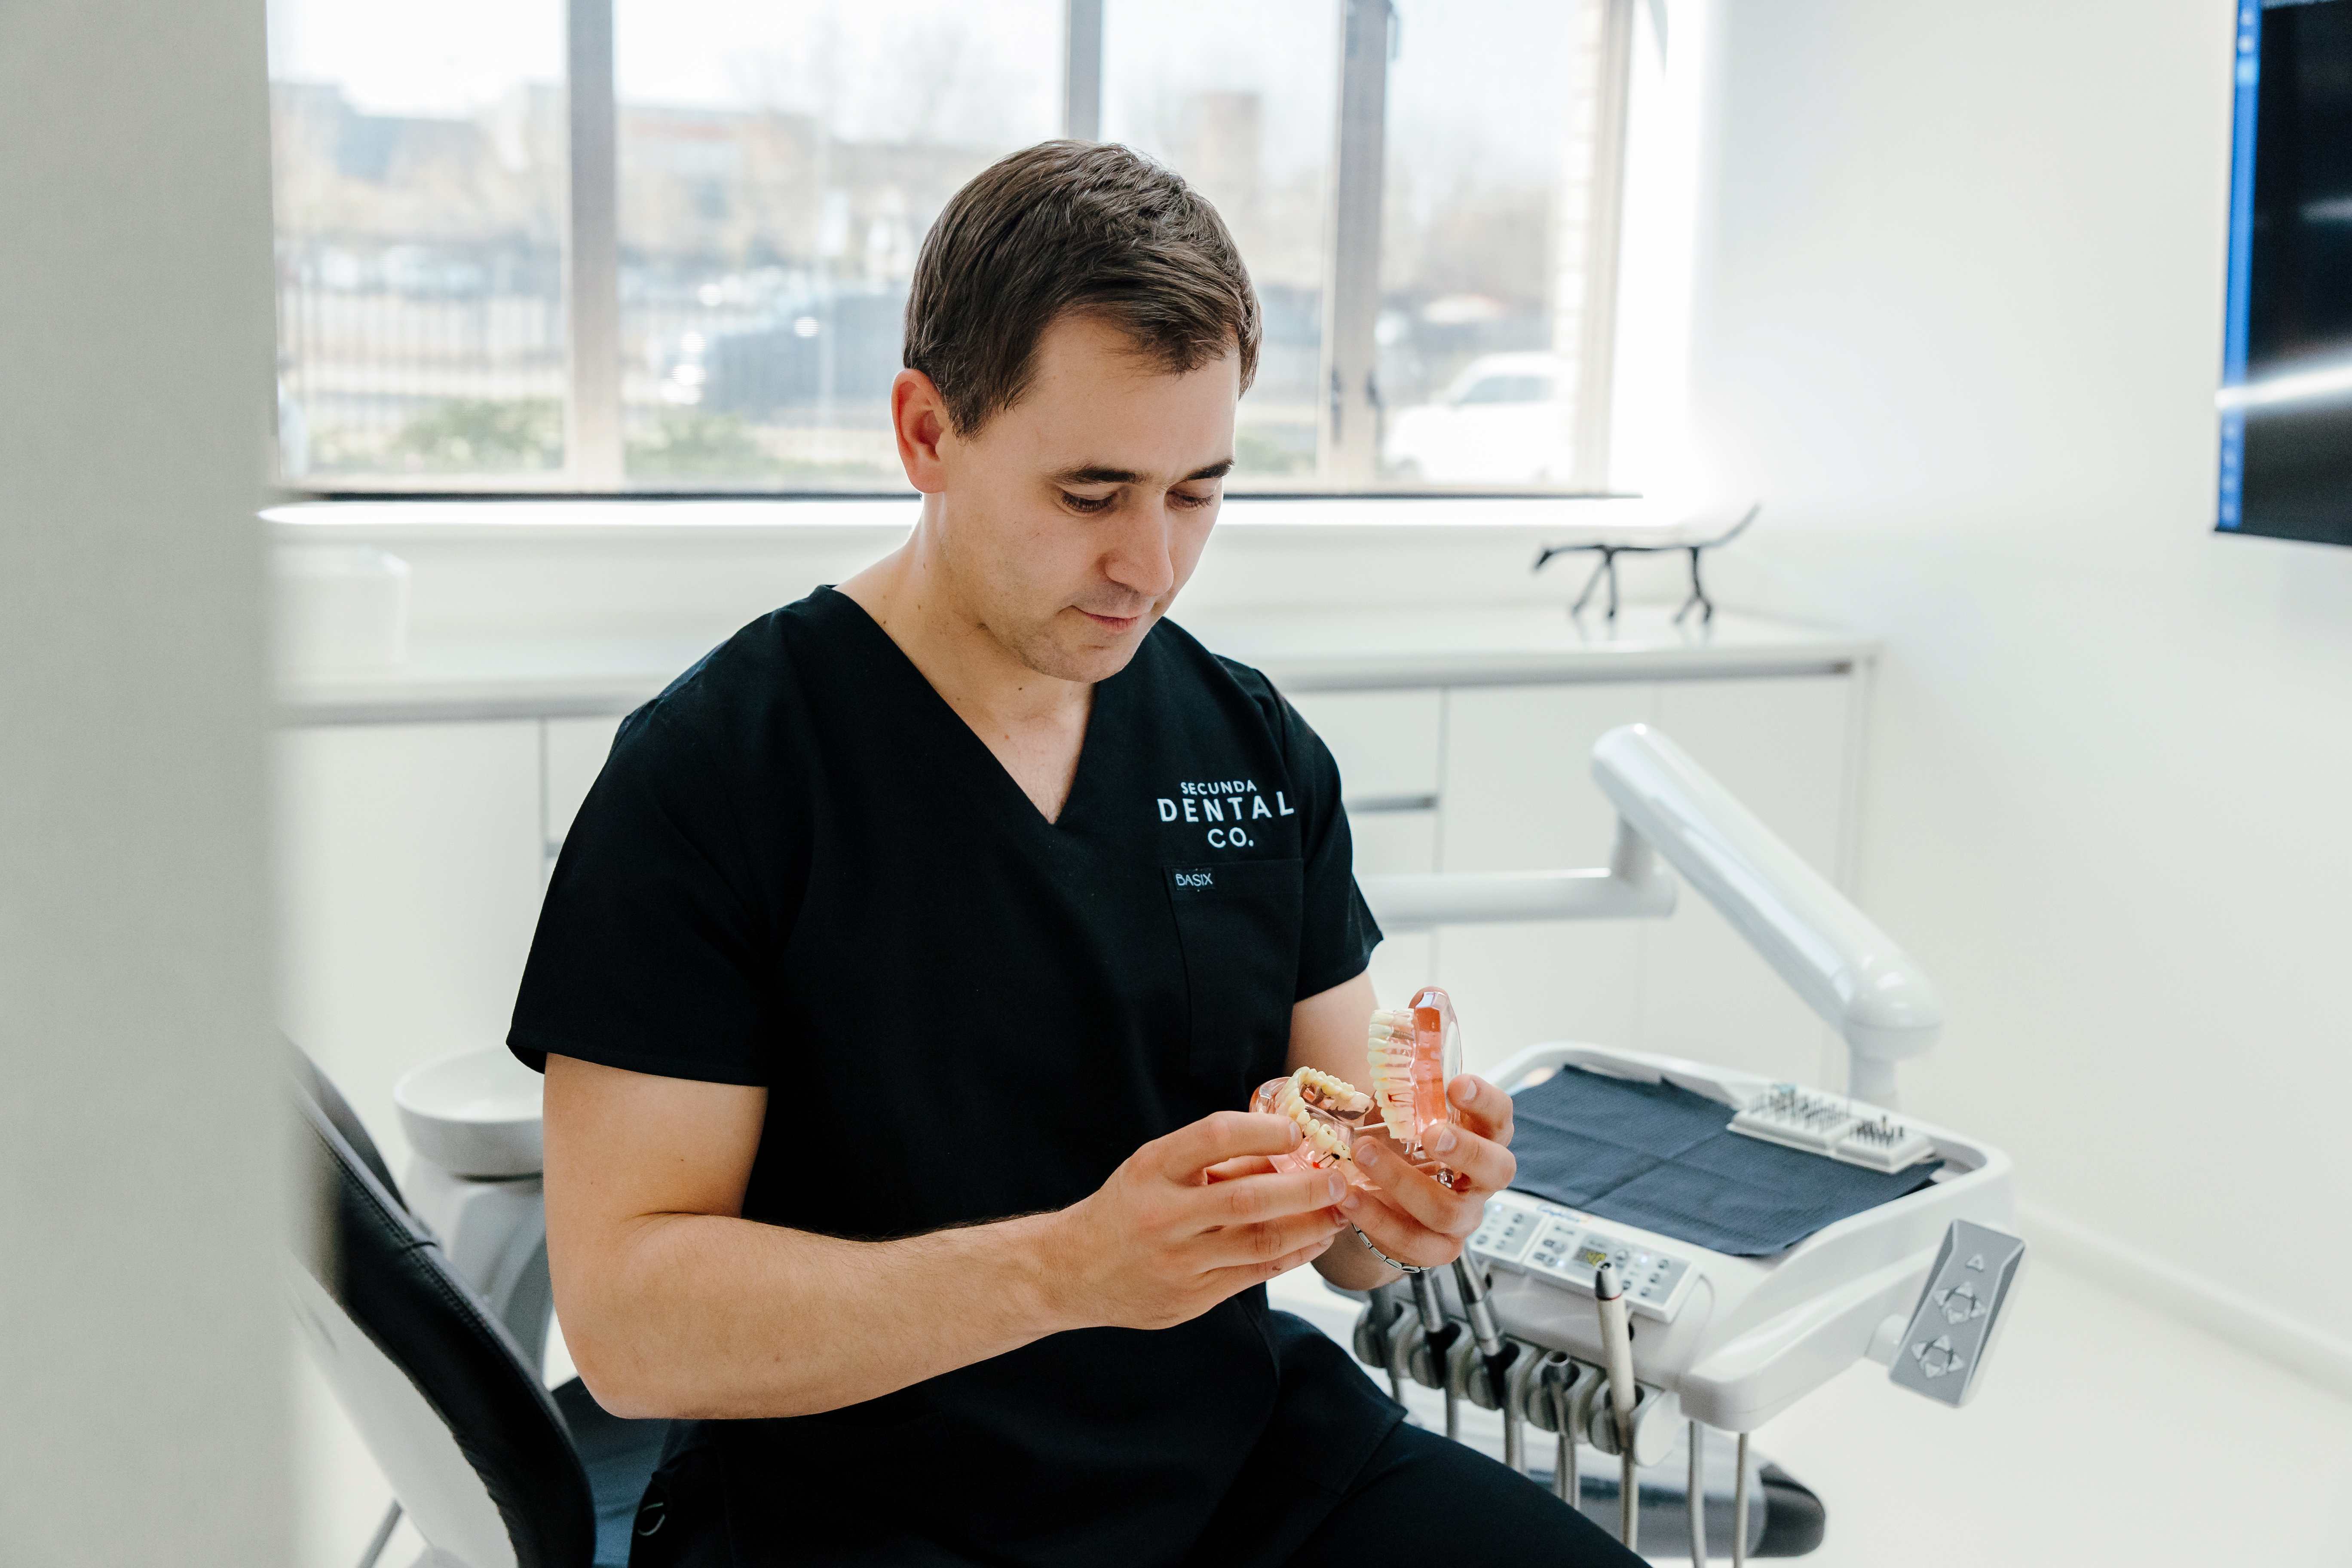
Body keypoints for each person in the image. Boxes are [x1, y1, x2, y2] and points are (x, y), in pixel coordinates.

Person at [510, 140, 1643, 1568]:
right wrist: (1064, 1271)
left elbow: (1350, 1225)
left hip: (1240, 1471)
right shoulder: (719, 777)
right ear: (927, 432)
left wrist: (1409, 1202)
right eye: (1091, 495)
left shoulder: (1249, 750)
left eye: (1198, 493)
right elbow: (630, 1325)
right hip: (859, 1512)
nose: (1152, 569)